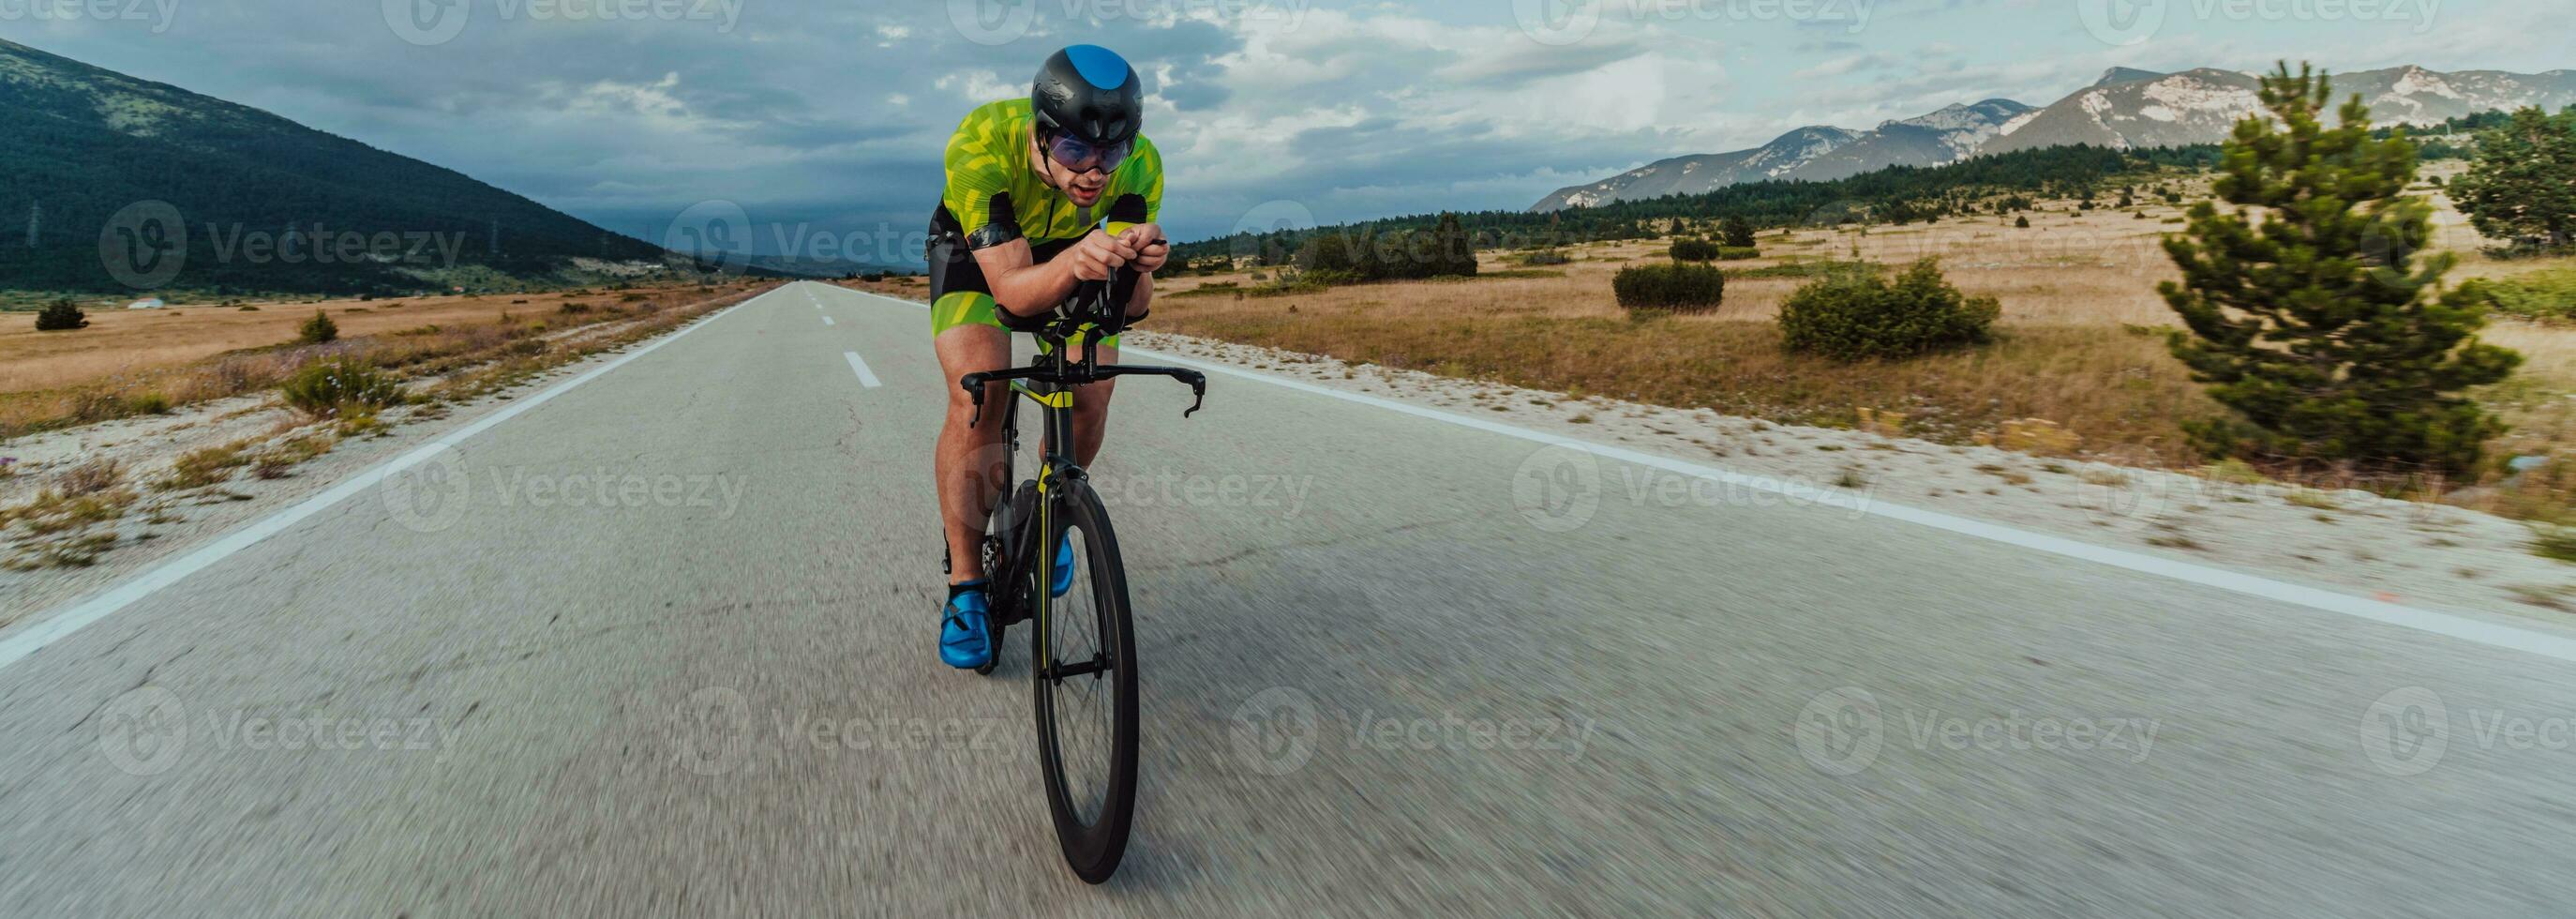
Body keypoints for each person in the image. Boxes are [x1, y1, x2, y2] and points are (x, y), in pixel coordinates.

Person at [925, 44, 1168, 670]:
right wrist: (1070, 263)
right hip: (981, 256)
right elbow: (1012, 296)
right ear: (1040, 134)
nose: (1094, 171)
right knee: (978, 398)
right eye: (1073, 152)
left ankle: (1053, 514)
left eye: (1110, 153)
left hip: (1076, 245)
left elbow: (1134, 308)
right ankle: (964, 588)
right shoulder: (980, 143)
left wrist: (1141, 266)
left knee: (1092, 389)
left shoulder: (1140, 166)